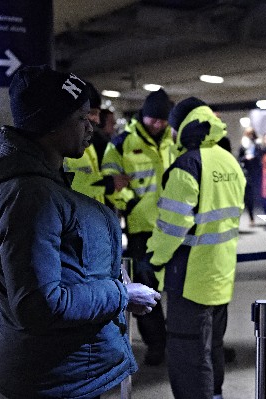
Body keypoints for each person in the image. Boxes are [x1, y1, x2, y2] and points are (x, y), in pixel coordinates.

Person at [0, 65, 161, 399]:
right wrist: (121, 295)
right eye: (81, 117)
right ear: (51, 123)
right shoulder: (31, 196)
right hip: (54, 377)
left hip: (63, 371)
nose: (91, 125)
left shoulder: (41, 183)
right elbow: (39, 304)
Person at [145, 97, 246, 399]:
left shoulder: (188, 165)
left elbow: (171, 228)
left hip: (190, 278)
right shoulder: (228, 160)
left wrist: (154, 258)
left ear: (182, 126)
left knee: (188, 355)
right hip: (221, 272)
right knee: (212, 347)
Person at [101, 88, 174, 365]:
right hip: (142, 227)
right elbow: (111, 179)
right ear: (143, 116)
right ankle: (157, 344)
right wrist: (130, 201)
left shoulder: (173, 140)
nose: (158, 124)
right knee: (147, 289)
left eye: (163, 120)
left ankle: (177, 340)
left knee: (177, 286)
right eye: (154, 119)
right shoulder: (121, 143)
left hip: (173, 227)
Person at [64, 82, 130, 205]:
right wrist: (108, 183)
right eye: (93, 113)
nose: (97, 120)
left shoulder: (87, 144)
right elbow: (64, 183)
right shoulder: (62, 146)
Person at [238, 127, 261, 226]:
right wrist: (245, 158)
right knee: (249, 197)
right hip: (247, 173)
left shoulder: (257, 145)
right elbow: (239, 158)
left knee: (260, 196)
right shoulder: (243, 146)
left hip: (256, 173)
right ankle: (251, 217)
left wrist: (255, 158)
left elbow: (260, 157)